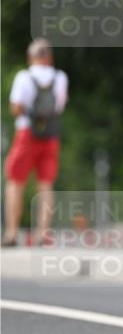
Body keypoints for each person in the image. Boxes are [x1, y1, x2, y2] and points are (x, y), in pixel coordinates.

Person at [3, 38, 68, 246]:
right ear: (50, 57)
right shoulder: (60, 77)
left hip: (26, 134)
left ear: (30, 57)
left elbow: (16, 107)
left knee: (15, 182)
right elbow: (59, 107)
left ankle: (12, 233)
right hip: (50, 134)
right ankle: (43, 233)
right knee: (46, 184)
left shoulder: (24, 76)